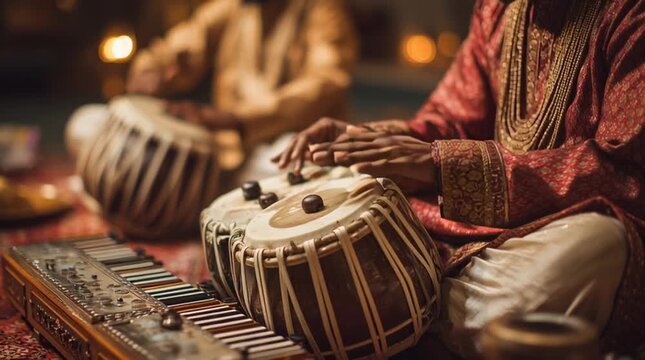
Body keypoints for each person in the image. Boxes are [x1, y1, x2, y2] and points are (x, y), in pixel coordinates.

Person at [274, 0, 644, 356]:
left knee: (594, 243)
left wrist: (443, 166)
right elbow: (456, 118)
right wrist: (376, 143)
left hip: (569, 228)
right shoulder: (498, 9)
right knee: (330, 189)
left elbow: (622, 171)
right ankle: (420, 305)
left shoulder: (630, 13)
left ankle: (400, 303)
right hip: (476, 226)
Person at [127, 0, 357, 179]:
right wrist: (151, 69)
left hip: (292, 144)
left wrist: (238, 118)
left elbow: (326, 81)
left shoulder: (321, 9)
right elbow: (186, 43)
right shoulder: (234, 7)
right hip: (229, 146)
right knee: (92, 121)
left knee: (286, 162)